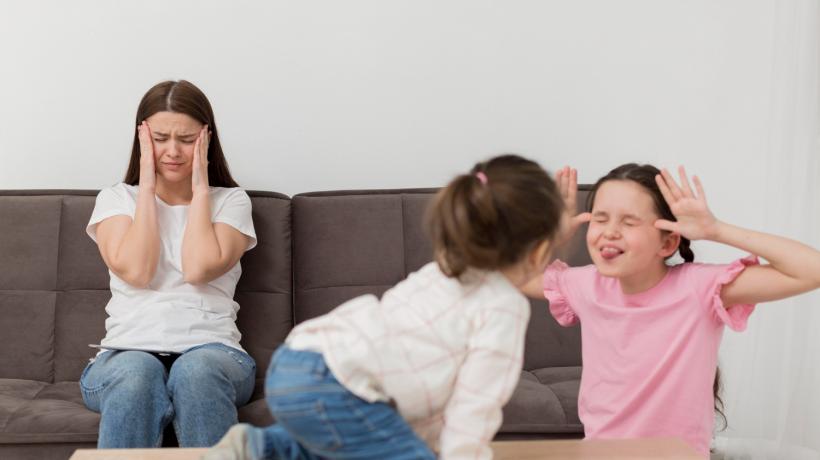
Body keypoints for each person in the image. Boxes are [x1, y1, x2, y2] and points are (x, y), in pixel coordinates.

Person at [205, 154, 566, 459]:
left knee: (355, 440)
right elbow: (474, 409)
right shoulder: (503, 307)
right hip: (338, 384)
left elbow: (415, 409)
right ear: (538, 250)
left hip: (300, 361)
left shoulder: (440, 272)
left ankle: (261, 447)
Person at [524, 164, 820, 457]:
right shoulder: (586, 285)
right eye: (600, 219)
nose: (610, 232)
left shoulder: (698, 288)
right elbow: (508, 274)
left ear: (667, 243)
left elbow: (811, 270)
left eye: (629, 222)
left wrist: (716, 230)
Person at [80, 80, 258, 448]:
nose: (173, 151)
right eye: (160, 138)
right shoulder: (116, 200)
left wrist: (200, 190)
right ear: (142, 138)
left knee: (195, 372)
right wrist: (146, 186)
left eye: (187, 139)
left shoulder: (231, 202)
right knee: (137, 372)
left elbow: (198, 268)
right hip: (125, 353)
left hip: (214, 353)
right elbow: (138, 271)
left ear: (207, 139)